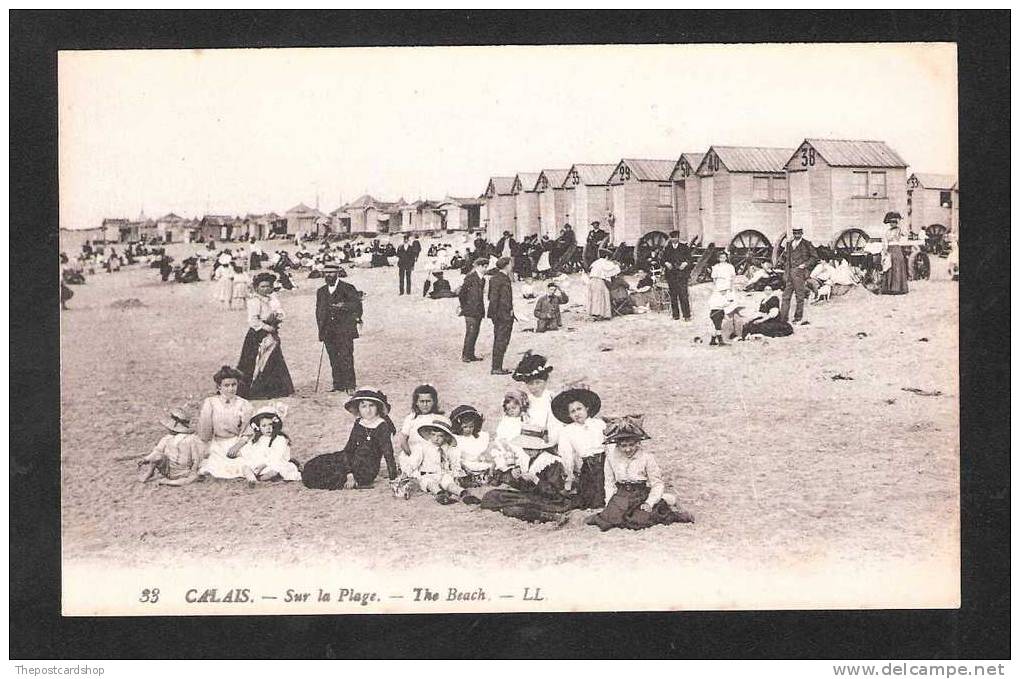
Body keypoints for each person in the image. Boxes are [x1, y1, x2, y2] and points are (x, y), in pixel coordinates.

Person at [586, 416, 694, 531]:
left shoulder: (647, 457)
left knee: (638, 521)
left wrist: (649, 503)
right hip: (621, 495)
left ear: (638, 443)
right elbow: (609, 482)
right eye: (623, 445)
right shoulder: (611, 458)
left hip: (640, 495)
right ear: (617, 445)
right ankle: (608, 513)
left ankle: (668, 502)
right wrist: (609, 502)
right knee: (610, 520)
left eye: (631, 444)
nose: (628, 449)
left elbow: (657, 483)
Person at [301, 388, 398, 491]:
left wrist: (394, 479)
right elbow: (349, 449)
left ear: (377, 407)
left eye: (371, 405)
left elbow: (389, 455)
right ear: (358, 408)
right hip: (351, 462)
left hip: (366, 470)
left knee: (325, 478)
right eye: (363, 406)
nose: (368, 410)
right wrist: (349, 473)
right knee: (312, 466)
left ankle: (357, 483)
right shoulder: (359, 423)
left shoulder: (382, 426)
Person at [477, 424, 574, 524]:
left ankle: (550, 516)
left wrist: (536, 480)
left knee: (514, 509)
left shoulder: (551, 461)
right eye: (525, 448)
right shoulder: (530, 459)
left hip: (550, 500)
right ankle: (536, 514)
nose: (528, 452)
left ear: (540, 447)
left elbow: (555, 492)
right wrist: (516, 477)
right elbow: (525, 487)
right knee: (491, 496)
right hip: (532, 496)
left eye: (531, 448)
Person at [394, 416, 479, 505]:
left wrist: (456, 474)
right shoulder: (423, 448)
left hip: (442, 474)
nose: (436, 438)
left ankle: (463, 494)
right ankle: (440, 494)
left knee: (449, 483)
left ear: (445, 438)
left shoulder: (446, 449)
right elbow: (414, 462)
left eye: (440, 436)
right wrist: (407, 472)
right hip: (427, 474)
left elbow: (452, 463)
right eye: (433, 435)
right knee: (430, 484)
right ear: (429, 435)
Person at [237, 272, 295, 399]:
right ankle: (254, 390)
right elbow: (253, 320)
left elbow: (280, 312)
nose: (266, 289)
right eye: (262, 287)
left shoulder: (272, 299)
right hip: (257, 334)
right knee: (255, 361)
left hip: (272, 332)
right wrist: (267, 327)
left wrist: (277, 319)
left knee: (273, 360)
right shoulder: (254, 301)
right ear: (256, 287)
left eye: (268, 286)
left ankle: (274, 390)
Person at [197, 366, 254, 478]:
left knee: (244, 461)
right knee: (211, 463)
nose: (230, 389)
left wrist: (237, 445)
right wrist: (207, 445)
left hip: (235, 441)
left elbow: (248, 430)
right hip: (216, 442)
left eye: (234, 385)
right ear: (219, 387)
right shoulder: (211, 403)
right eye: (226, 385)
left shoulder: (244, 404)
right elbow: (205, 429)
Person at [315, 263, 364, 394]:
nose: (328, 275)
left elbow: (357, 306)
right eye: (326, 272)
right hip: (328, 331)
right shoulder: (321, 291)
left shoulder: (348, 288)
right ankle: (338, 384)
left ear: (338, 272)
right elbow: (318, 312)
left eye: (331, 272)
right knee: (333, 358)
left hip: (344, 330)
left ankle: (350, 385)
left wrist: (344, 306)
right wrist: (321, 329)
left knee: (346, 356)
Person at [552, 386, 606, 501]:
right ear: (569, 415)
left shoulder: (599, 424)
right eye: (572, 411)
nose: (577, 413)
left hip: (605, 465)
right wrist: (570, 476)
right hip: (587, 468)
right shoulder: (567, 431)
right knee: (589, 499)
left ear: (586, 408)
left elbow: (609, 445)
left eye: (579, 409)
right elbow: (567, 455)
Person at [229, 404, 302, 485]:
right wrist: (240, 453)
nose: (268, 428)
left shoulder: (280, 439)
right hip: (258, 464)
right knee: (245, 467)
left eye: (270, 424)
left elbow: (277, 456)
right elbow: (250, 450)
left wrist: (263, 465)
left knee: (275, 471)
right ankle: (252, 480)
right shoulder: (258, 439)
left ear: (275, 425)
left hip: (273, 463)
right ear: (259, 427)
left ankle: (261, 478)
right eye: (264, 426)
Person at [136, 408, 206, 486]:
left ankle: (169, 482)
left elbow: (196, 458)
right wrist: (146, 459)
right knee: (157, 456)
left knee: (194, 477)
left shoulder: (191, 440)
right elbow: (158, 451)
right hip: (168, 469)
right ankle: (149, 473)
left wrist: (194, 470)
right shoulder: (167, 438)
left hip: (184, 471)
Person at [778, 227, 818, 324]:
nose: (797, 235)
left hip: (800, 274)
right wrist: (783, 265)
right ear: (793, 233)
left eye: (799, 233)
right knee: (785, 296)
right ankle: (783, 318)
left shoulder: (807, 244)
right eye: (795, 233)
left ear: (802, 233)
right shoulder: (789, 244)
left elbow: (814, 257)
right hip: (789, 273)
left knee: (799, 297)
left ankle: (798, 318)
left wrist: (805, 265)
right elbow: (785, 257)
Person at [449, 405, 493, 487]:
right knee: (460, 468)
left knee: (491, 463)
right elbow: (455, 456)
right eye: (465, 427)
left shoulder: (477, 437)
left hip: (476, 461)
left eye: (471, 426)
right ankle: (470, 479)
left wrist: (483, 456)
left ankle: (484, 476)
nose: (468, 429)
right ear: (459, 426)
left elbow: (482, 451)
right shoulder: (457, 439)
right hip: (464, 462)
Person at [490, 388, 529, 477]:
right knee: (500, 455)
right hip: (507, 444)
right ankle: (506, 473)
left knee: (522, 457)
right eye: (508, 409)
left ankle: (520, 473)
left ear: (521, 406)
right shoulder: (506, 420)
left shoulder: (524, 419)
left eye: (514, 408)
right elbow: (501, 434)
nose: (511, 411)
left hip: (520, 444)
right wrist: (504, 444)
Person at [487, 257, 515, 375]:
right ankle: (497, 368)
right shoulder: (503, 279)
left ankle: (497, 366)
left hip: (497, 314)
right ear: (507, 265)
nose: (512, 266)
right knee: (501, 340)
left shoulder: (494, 278)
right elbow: (502, 299)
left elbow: (490, 297)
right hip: (503, 314)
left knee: (499, 339)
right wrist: (508, 311)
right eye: (510, 264)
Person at [458, 257, 487, 363]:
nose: (485, 269)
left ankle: (471, 354)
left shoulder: (482, 279)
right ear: (478, 267)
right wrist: (465, 306)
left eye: (486, 266)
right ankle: (465, 355)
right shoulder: (470, 278)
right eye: (483, 266)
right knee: (470, 332)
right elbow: (462, 294)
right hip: (470, 310)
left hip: (478, 310)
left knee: (475, 332)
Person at [660, 231, 693, 321]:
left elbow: (690, 259)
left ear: (678, 238)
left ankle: (687, 315)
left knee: (683, 295)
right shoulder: (667, 248)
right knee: (673, 296)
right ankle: (676, 315)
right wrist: (666, 263)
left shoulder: (684, 247)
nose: (674, 239)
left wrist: (685, 264)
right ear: (670, 238)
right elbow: (662, 260)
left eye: (676, 237)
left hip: (682, 276)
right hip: (671, 275)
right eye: (672, 237)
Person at [707, 250, 736, 346]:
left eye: (724, 257)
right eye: (720, 257)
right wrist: (719, 289)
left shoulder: (730, 267)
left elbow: (732, 278)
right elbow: (714, 280)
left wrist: (730, 289)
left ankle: (714, 339)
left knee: (725, 312)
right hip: (719, 288)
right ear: (718, 258)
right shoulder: (716, 267)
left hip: (727, 287)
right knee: (717, 312)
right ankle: (719, 340)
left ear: (726, 258)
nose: (722, 259)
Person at [586, 249, 620, 321]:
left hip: (591, 280)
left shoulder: (596, 262)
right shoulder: (605, 263)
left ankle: (593, 312)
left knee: (594, 297)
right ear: (607, 256)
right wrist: (616, 264)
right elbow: (615, 270)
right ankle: (600, 314)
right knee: (601, 297)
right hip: (599, 280)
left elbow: (589, 270)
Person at [881, 211, 909, 295]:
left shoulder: (899, 230)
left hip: (896, 249)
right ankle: (888, 288)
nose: (892, 224)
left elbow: (906, 233)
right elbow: (885, 241)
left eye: (894, 222)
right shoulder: (887, 231)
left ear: (896, 223)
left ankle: (897, 288)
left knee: (897, 267)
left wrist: (901, 223)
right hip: (889, 249)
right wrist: (885, 250)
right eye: (891, 222)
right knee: (889, 267)